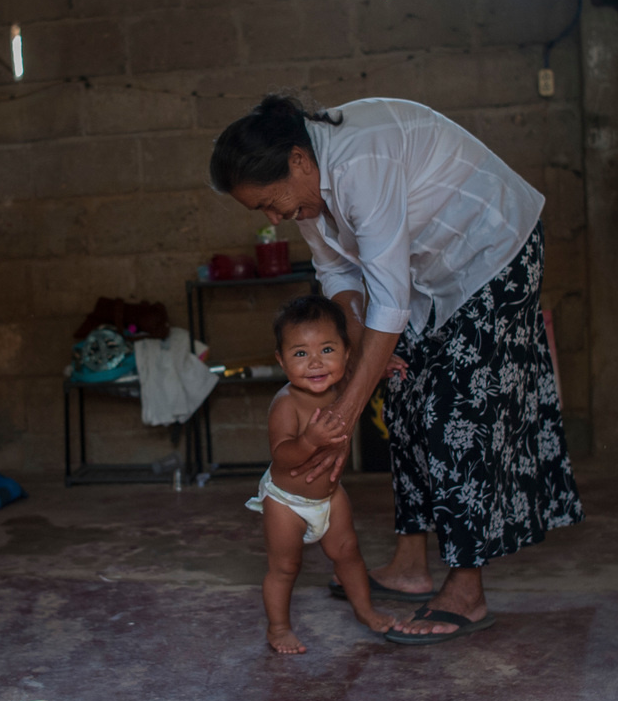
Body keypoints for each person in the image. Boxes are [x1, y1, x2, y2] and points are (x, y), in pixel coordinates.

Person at [212, 95, 584, 646]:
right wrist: (362, 353)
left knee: (460, 412)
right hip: (428, 273)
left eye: (271, 203)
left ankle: (467, 590)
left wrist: (342, 413)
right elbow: (336, 269)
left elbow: (387, 295)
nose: (273, 218)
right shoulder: (309, 190)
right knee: (405, 394)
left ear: (296, 161)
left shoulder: (359, 161)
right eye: (262, 211)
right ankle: (412, 564)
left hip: (492, 250)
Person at [247, 295, 397, 654]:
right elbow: (282, 457)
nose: (315, 363)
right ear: (282, 361)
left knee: (349, 553)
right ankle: (279, 628)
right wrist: (309, 440)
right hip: (287, 503)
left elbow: (363, 382)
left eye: (326, 349)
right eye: (300, 354)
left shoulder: (343, 390)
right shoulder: (287, 403)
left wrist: (379, 368)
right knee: (285, 567)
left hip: (330, 496)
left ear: (347, 353)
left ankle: (365, 611)